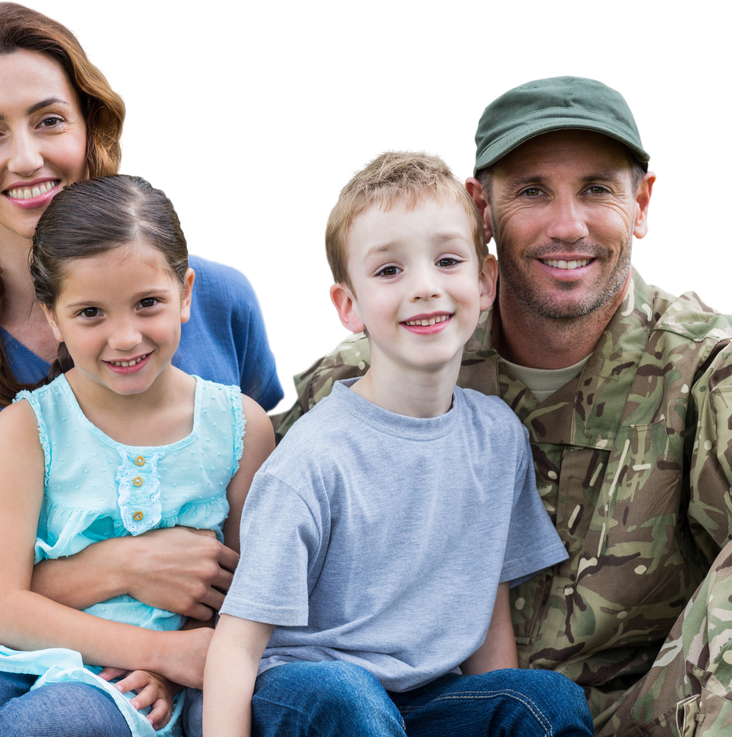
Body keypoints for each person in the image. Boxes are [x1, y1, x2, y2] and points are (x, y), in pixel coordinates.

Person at [270, 74, 732, 736]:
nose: (568, 226)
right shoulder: (385, 366)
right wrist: (153, 564)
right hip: (441, 717)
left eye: (597, 189)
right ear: (479, 207)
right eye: (531, 191)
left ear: (643, 202)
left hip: (665, 719)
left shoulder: (719, 365)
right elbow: (222, 482)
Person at [0, 0, 285, 728]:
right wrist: (113, 570)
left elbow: (269, 552)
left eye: (49, 120)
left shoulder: (218, 302)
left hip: (144, 694)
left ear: (89, 127)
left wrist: (188, 665)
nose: (26, 158)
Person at [202, 146, 594, 737]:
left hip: (426, 700)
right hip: (308, 692)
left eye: (446, 261)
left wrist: (501, 708)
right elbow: (236, 644)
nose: (424, 288)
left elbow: (487, 613)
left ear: (485, 281)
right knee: (352, 702)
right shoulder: (315, 458)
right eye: (390, 270)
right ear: (349, 306)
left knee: (543, 701)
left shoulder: (497, 437)